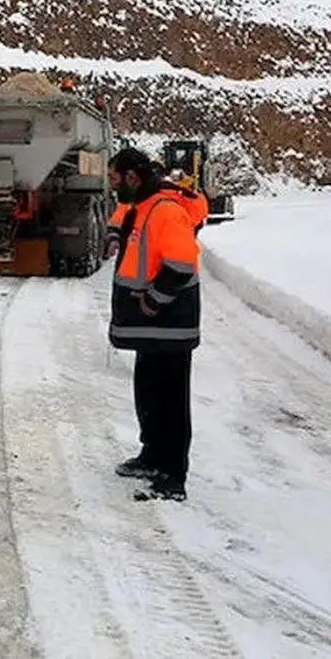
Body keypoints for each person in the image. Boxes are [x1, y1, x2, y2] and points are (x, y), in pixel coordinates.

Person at [106, 147, 201, 502]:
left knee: (172, 400)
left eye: (115, 179)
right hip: (152, 328)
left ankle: (173, 475)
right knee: (148, 392)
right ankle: (151, 456)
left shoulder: (165, 210)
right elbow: (123, 217)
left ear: (132, 177)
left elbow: (181, 266)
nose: (113, 186)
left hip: (170, 325)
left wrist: (151, 301)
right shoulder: (143, 205)